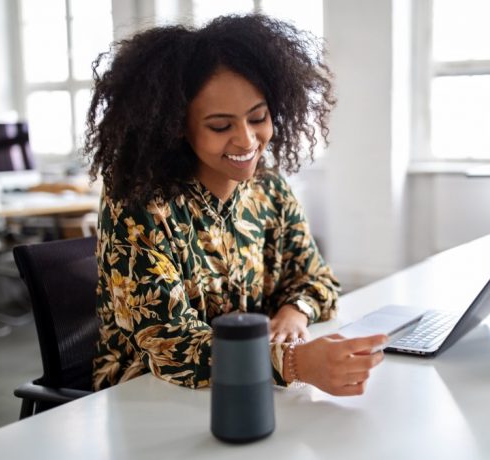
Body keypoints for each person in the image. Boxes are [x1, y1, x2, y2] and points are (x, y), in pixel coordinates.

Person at [84, 14, 386, 396]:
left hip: (247, 387)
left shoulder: (268, 188)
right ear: (177, 125)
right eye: (220, 126)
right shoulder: (140, 203)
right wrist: (292, 362)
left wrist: (296, 311)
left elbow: (317, 280)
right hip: (145, 393)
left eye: (258, 118)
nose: (246, 141)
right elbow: (171, 346)